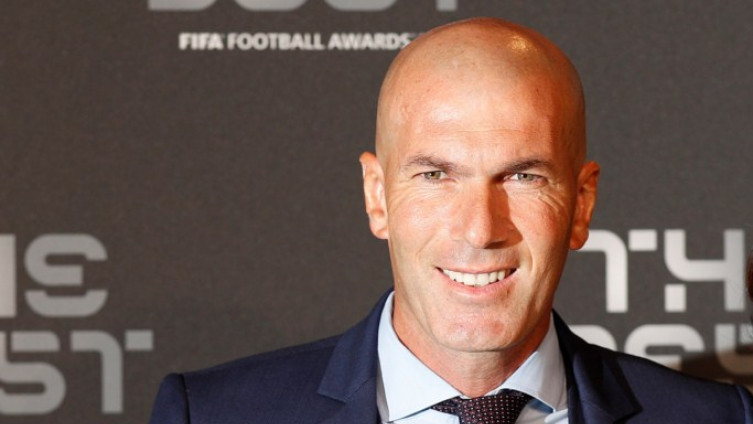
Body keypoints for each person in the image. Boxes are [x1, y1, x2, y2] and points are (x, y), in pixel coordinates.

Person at [148, 17, 753, 423]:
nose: (479, 229)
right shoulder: (215, 415)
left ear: (582, 203)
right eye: (436, 174)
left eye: (523, 176)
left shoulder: (718, 419)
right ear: (378, 197)